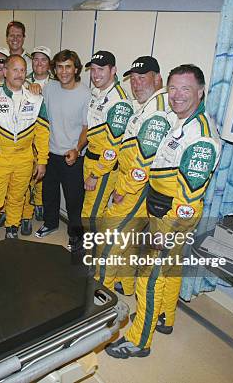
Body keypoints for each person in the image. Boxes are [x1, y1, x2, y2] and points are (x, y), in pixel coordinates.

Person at [105, 64, 221, 359]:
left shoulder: (201, 138)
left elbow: (188, 201)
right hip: (158, 204)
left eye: (185, 89)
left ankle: (139, 341)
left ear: (200, 91)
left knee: (148, 278)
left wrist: (165, 236)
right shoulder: (175, 118)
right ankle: (165, 318)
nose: (177, 95)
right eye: (173, 88)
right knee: (169, 271)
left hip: (173, 217)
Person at [95, 56, 174, 297]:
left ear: (158, 79)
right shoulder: (147, 105)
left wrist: (124, 188)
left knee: (109, 241)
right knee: (128, 243)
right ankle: (126, 285)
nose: (137, 84)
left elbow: (144, 162)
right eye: (134, 79)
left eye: (143, 78)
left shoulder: (157, 113)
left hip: (135, 189)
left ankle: (99, 295)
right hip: (130, 182)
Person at [0, 55, 49, 245]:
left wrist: (42, 161)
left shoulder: (36, 98)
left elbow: (42, 132)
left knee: (18, 198)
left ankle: (12, 229)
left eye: (23, 70)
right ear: (5, 71)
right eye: (14, 69)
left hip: (25, 158)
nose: (19, 74)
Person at [34, 50, 90, 250]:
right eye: (59, 67)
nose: (63, 71)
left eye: (68, 66)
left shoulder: (85, 94)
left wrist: (77, 149)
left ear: (76, 69)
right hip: (50, 152)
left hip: (72, 154)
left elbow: (86, 127)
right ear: (54, 70)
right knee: (49, 193)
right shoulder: (49, 88)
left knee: (74, 198)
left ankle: (75, 235)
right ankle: (50, 223)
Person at [82, 51, 134, 228]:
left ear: (113, 70)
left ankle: (90, 253)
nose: (96, 74)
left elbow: (113, 148)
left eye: (101, 69)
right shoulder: (98, 92)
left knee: (91, 213)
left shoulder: (119, 100)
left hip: (103, 168)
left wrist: (95, 174)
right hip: (91, 159)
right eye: (93, 69)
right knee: (90, 208)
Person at [21, 45, 54, 231]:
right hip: (27, 138)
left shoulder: (56, 84)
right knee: (25, 179)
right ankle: (26, 215)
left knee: (43, 176)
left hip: (48, 138)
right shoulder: (23, 82)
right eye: (35, 59)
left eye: (43, 59)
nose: (39, 63)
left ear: (49, 64)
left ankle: (39, 204)